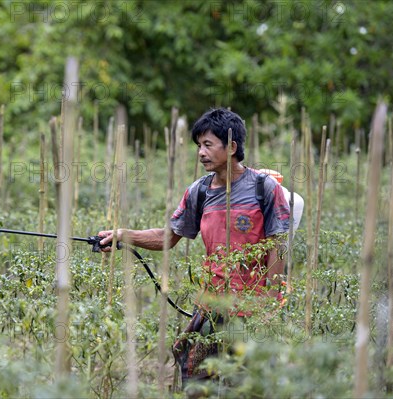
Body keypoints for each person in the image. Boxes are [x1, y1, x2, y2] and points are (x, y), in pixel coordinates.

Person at [98, 108, 290, 387]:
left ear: (232, 146)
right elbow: (168, 237)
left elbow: (278, 245)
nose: (201, 152)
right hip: (211, 306)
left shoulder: (264, 188)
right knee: (196, 380)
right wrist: (124, 235)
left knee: (248, 384)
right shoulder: (199, 191)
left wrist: (270, 304)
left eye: (208, 145)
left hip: (252, 309)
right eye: (199, 145)